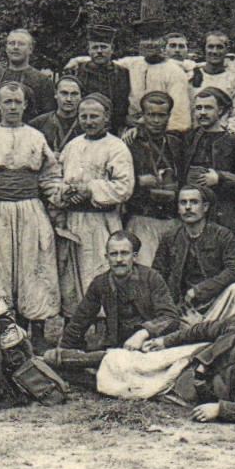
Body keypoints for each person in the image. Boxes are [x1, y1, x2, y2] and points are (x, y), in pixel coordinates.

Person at [0, 83, 63, 348]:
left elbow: (50, 175)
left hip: (30, 210)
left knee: (35, 268)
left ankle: (37, 332)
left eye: (17, 102)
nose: (13, 107)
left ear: (25, 105)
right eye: (7, 102)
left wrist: (57, 201)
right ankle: (5, 333)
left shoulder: (36, 137)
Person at [143, 299, 235, 425]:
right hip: (187, 362)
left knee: (139, 386)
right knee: (136, 364)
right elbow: (202, 330)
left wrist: (220, 409)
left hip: (193, 393)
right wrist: (165, 341)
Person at [53, 94, 135, 319]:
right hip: (73, 222)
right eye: (84, 116)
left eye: (94, 116)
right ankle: (74, 327)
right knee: (71, 279)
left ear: (106, 117)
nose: (88, 122)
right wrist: (66, 192)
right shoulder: (72, 146)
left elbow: (124, 187)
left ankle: (103, 328)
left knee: (100, 274)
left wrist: (90, 189)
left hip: (101, 222)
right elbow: (57, 178)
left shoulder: (116, 147)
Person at [58, 230, 179, 353]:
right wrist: (63, 349)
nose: (119, 259)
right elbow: (79, 321)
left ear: (134, 256)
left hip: (151, 344)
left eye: (124, 253)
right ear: (107, 257)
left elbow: (170, 317)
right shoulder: (100, 283)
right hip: (117, 347)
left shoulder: (151, 278)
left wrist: (143, 333)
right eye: (113, 254)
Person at [156, 185, 235, 323]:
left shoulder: (222, 235)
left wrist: (199, 291)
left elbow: (234, 270)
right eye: (183, 203)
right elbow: (157, 274)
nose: (188, 207)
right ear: (178, 208)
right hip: (183, 308)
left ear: (205, 207)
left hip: (216, 302)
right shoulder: (170, 238)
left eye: (194, 202)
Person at [121, 90, 184, 268]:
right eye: (151, 115)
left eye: (161, 115)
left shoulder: (176, 144)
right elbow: (117, 178)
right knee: (144, 269)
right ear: (143, 116)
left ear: (169, 116)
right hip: (142, 218)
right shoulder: (130, 143)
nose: (156, 120)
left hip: (171, 219)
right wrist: (138, 181)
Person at [182, 88, 235, 236]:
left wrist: (220, 178)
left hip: (223, 211)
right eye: (199, 108)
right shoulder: (189, 138)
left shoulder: (233, 141)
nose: (202, 113)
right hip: (192, 211)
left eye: (208, 108)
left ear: (220, 110)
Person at [125, 21, 192, 132]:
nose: (150, 43)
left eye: (155, 39)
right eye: (145, 38)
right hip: (132, 130)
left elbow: (179, 115)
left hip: (161, 131)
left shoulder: (174, 72)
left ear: (163, 42)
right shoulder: (132, 65)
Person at [65, 25, 133, 128]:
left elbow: (123, 104)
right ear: (89, 50)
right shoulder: (78, 71)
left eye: (103, 47)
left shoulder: (122, 73)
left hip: (115, 127)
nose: (99, 51)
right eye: (95, 47)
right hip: (84, 125)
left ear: (112, 49)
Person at [0, 28, 56, 123]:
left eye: (21, 44)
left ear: (30, 49)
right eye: (12, 43)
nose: (15, 47)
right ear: (6, 48)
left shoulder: (42, 81)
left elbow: (48, 117)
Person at [191, 30, 235, 137]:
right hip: (194, 137)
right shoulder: (191, 76)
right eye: (210, 47)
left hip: (222, 137)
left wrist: (227, 139)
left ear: (226, 50)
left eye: (219, 47)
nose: (215, 51)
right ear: (204, 49)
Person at [30, 75, 84, 152]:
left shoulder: (85, 124)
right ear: (56, 94)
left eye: (74, 94)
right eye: (64, 93)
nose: (69, 99)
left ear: (81, 96)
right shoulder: (38, 124)